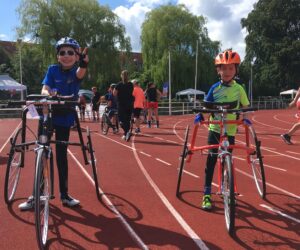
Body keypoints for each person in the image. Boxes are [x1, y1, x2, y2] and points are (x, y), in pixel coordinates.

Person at [18, 37, 89, 210]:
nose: (66, 56)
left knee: (61, 156)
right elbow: (45, 88)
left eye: (70, 53)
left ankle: (64, 195)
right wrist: (47, 94)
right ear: (58, 56)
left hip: (65, 117)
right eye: (62, 53)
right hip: (47, 115)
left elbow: (81, 72)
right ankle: (37, 195)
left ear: (76, 56)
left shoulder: (76, 72)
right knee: (41, 153)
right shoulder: (52, 70)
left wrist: (84, 63)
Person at [201, 49, 249, 210]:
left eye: (231, 68)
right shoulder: (214, 88)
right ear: (218, 70)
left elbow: (245, 106)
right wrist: (201, 116)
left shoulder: (239, 89)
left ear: (236, 70)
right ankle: (206, 194)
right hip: (215, 128)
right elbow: (206, 106)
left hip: (231, 130)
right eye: (224, 68)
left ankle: (224, 183)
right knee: (212, 160)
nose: (227, 72)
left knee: (227, 157)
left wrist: (244, 115)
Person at [113, 70, 134, 141]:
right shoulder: (131, 84)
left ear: (121, 76)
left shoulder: (118, 84)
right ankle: (126, 134)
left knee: (121, 120)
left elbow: (114, 93)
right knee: (127, 120)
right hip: (129, 104)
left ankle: (127, 132)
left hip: (121, 104)